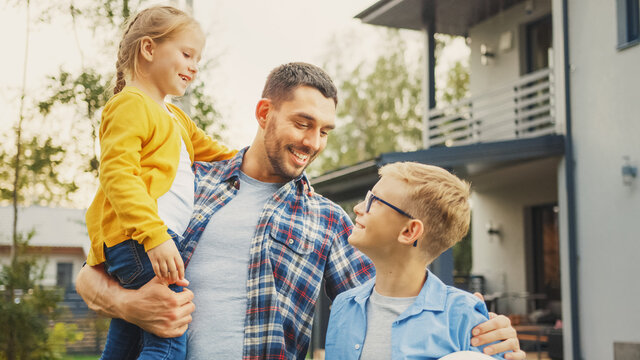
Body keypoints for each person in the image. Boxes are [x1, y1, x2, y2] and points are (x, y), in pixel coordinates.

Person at [76, 62, 525, 359]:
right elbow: (93, 269)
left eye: (325, 130)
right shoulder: (189, 180)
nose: (313, 142)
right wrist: (128, 304)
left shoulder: (329, 221)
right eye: (302, 123)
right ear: (264, 112)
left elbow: (394, 297)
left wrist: (478, 327)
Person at [84, 6, 235, 359]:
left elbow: (218, 153)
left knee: (127, 336)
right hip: (143, 240)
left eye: (198, 58)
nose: (195, 66)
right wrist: (154, 236)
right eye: (186, 54)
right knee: (169, 328)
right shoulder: (130, 104)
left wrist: (257, 159)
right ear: (149, 49)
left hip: (149, 241)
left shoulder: (174, 116)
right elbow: (118, 176)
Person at [325, 162, 508, 359]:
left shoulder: (466, 317)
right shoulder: (343, 306)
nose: (358, 208)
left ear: (409, 231)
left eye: (375, 201)